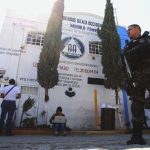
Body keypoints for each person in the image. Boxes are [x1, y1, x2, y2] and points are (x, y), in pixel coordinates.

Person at [122, 24, 150, 145]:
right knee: (136, 105)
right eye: (127, 30)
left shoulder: (146, 40)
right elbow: (123, 62)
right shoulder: (127, 46)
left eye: (130, 29)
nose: (128, 31)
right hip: (137, 78)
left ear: (137, 30)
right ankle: (137, 136)